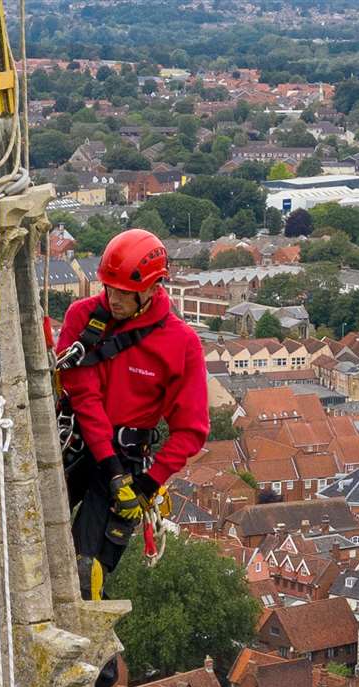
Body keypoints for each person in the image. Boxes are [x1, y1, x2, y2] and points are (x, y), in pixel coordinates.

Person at [56, 228, 208, 614]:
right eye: (110, 288)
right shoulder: (83, 319)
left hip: (125, 459)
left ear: (153, 288)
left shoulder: (180, 344)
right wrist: (110, 468)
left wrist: (147, 483)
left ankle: (98, 669)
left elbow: (191, 429)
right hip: (75, 443)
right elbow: (83, 396)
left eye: (124, 292)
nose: (115, 299)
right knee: (28, 542)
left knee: (85, 569)